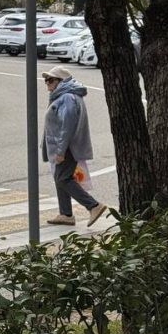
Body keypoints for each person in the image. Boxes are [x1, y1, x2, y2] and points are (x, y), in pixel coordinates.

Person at [41, 66, 107, 226]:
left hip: (67, 147)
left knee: (63, 178)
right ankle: (66, 214)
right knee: (59, 178)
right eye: (46, 80)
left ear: (61, 81)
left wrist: (61, 150)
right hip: (63, 146)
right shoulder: (63, 97)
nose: (47, 84)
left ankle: (94, 206)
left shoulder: (68, 98)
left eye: (50, 80)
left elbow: (67, 126)